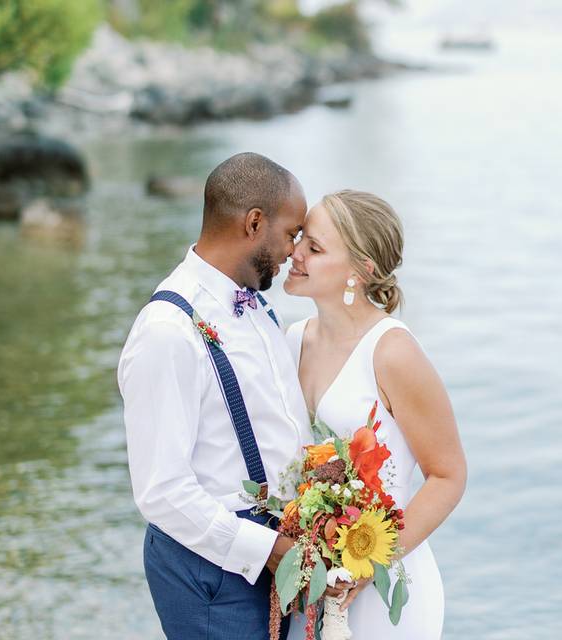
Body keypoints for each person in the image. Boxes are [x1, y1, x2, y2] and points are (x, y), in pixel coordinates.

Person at [118, 152, 347, 640]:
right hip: (212, 569)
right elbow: (161, 491)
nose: (294, 252)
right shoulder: (167, 330)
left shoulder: (260, 311)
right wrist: (265, 549)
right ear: (254, 223)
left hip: (272, 552)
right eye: (291, 234)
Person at [283, 190, 468, 639]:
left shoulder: (392, 352)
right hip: (313, 586)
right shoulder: (291, 340)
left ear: (360, 270)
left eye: (315, 247)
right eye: (300, 238)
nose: (296, 252)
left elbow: (448, 476)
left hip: (385, 589)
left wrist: (374, 563)